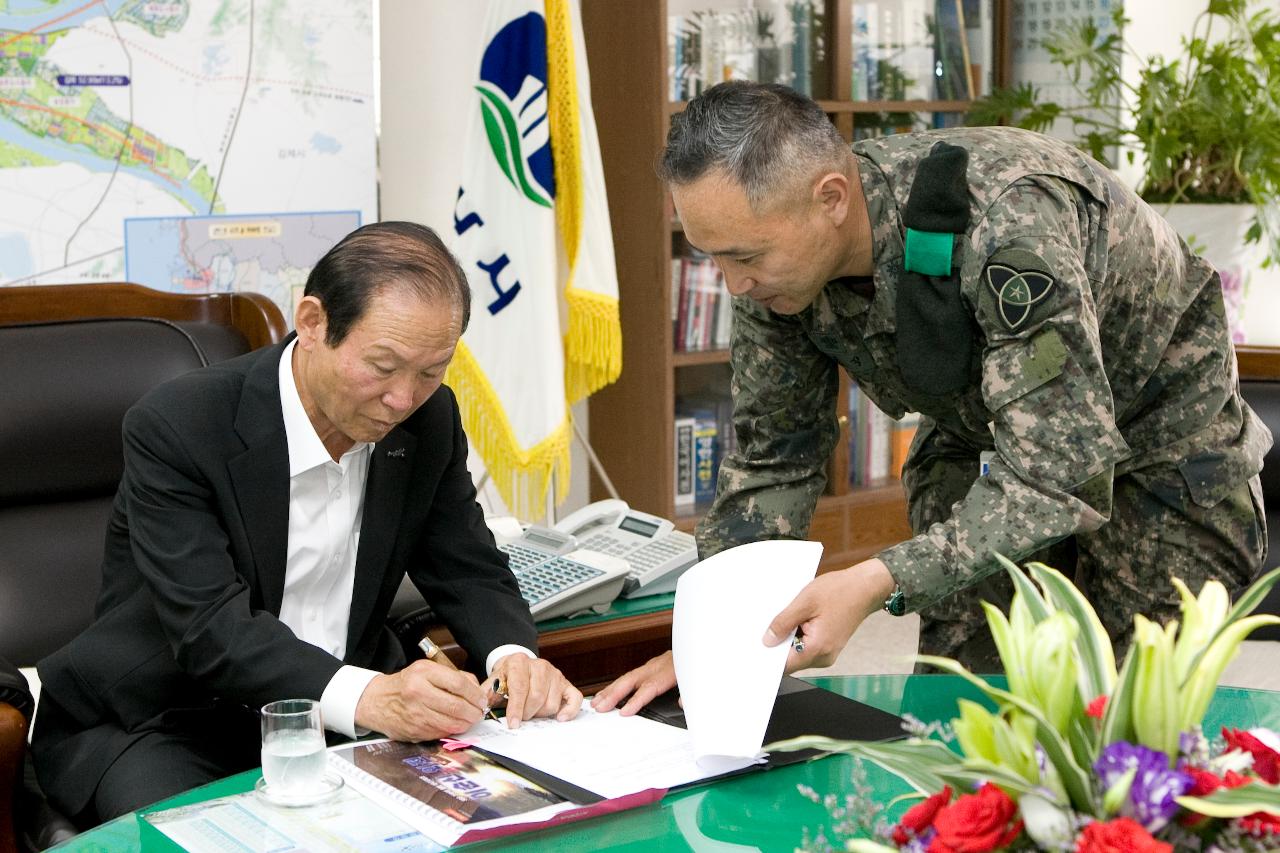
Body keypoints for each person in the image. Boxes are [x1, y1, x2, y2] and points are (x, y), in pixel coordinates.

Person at [593, 81, 1270, 715]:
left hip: (1162, 453)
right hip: (985, 443)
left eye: (743, 257)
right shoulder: (773, 274)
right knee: (964, 715)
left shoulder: (1005, 221)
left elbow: (1059, 472)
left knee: (1137, 731)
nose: (732, 284)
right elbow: (774, 461)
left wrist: (876, 578)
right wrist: (718, 637)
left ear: (831, 198)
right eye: (711, 257)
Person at [32, 221, 581, 824]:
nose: (403, 399)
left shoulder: (429, 420)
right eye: (383, 366)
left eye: (431, 371)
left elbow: (468, 564)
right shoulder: (180, 425)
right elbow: (210, 629)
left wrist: (512, 657)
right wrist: (371, 696)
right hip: (171, 719)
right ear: (314, 323)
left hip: (352, 718)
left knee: (509, 821)